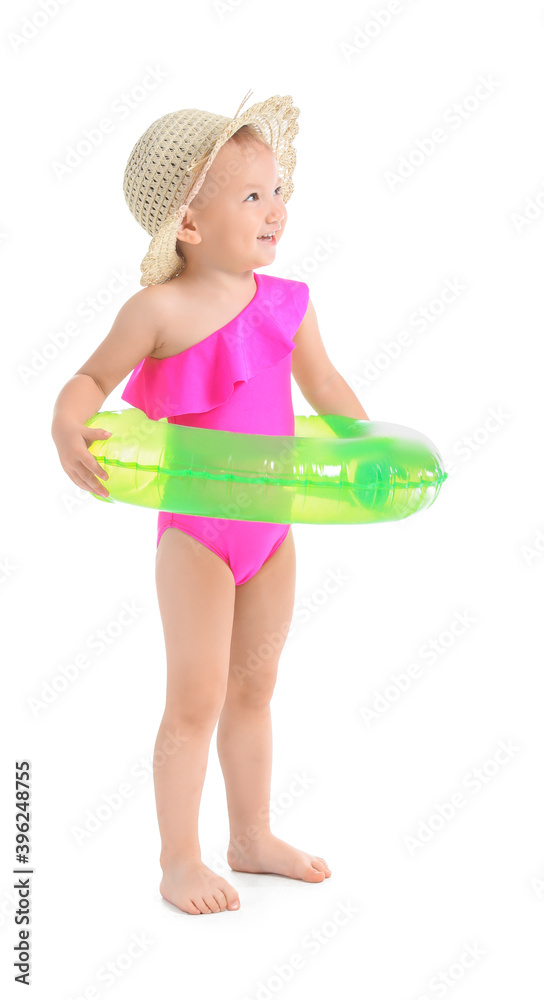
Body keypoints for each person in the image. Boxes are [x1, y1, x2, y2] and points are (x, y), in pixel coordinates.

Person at [51, 90, 369, 917]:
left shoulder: (287, 304)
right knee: (194, 698)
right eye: (253, 195)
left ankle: (252, 835)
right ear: (189, 226)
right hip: (196, 534)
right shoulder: (157, 311)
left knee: (256, 690)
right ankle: (179, 859)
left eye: (278, 190)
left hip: (273, 530)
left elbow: (326, 385)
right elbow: (89, 380)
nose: (278, 209)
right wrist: (66, 421)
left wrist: (367, 445)